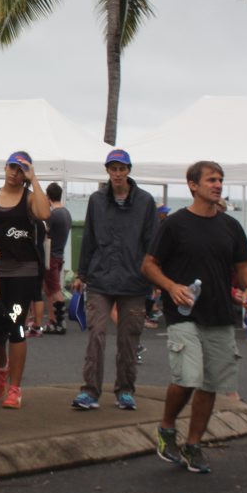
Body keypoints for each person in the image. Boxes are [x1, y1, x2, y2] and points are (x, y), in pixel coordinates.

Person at [141, 160, 247, 474]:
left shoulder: (230, 226)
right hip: (183, 313)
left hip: (220, 313)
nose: (217, 184)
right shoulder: (174, 224)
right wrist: (171, 286)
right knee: (188, 378)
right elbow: (148, 265)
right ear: (193, 185)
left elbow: (242, 267)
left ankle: (193, 444)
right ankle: (167, 427)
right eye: (211, 179)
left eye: (220, 180)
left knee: (211, 384)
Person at [70, 149, 157, 411]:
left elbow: (152, 241)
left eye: (122, 168)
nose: (117, 173)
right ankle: (90, 391)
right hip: (100, 278)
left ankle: (125, 390)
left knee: (128, 338)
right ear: (107, 170)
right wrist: (81, 273)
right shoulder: (97, 200)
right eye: (113, 168)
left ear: (129, 170)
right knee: (96, 333)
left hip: (134, 280)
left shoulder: (145, 201)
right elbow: (89, 239)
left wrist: (155, 279)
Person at [0, 150, 51, 409]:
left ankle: (15, 388)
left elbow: (44, 214)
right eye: (12, 167)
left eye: (21, 170)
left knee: (17, 327)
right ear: (5, 167)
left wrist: (35, 180)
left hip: (23, 273)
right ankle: (2, 367)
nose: (15, 173)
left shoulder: (30, 198)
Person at [40, 182, 71, 334]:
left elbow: (44, 231)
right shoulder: (66, 213)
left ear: (48, 196)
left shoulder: (53, 215)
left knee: (55, 289)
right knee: (49, 288)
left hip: (50, 256)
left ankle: (59, 322)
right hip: (59, 254)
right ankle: (53, 320)